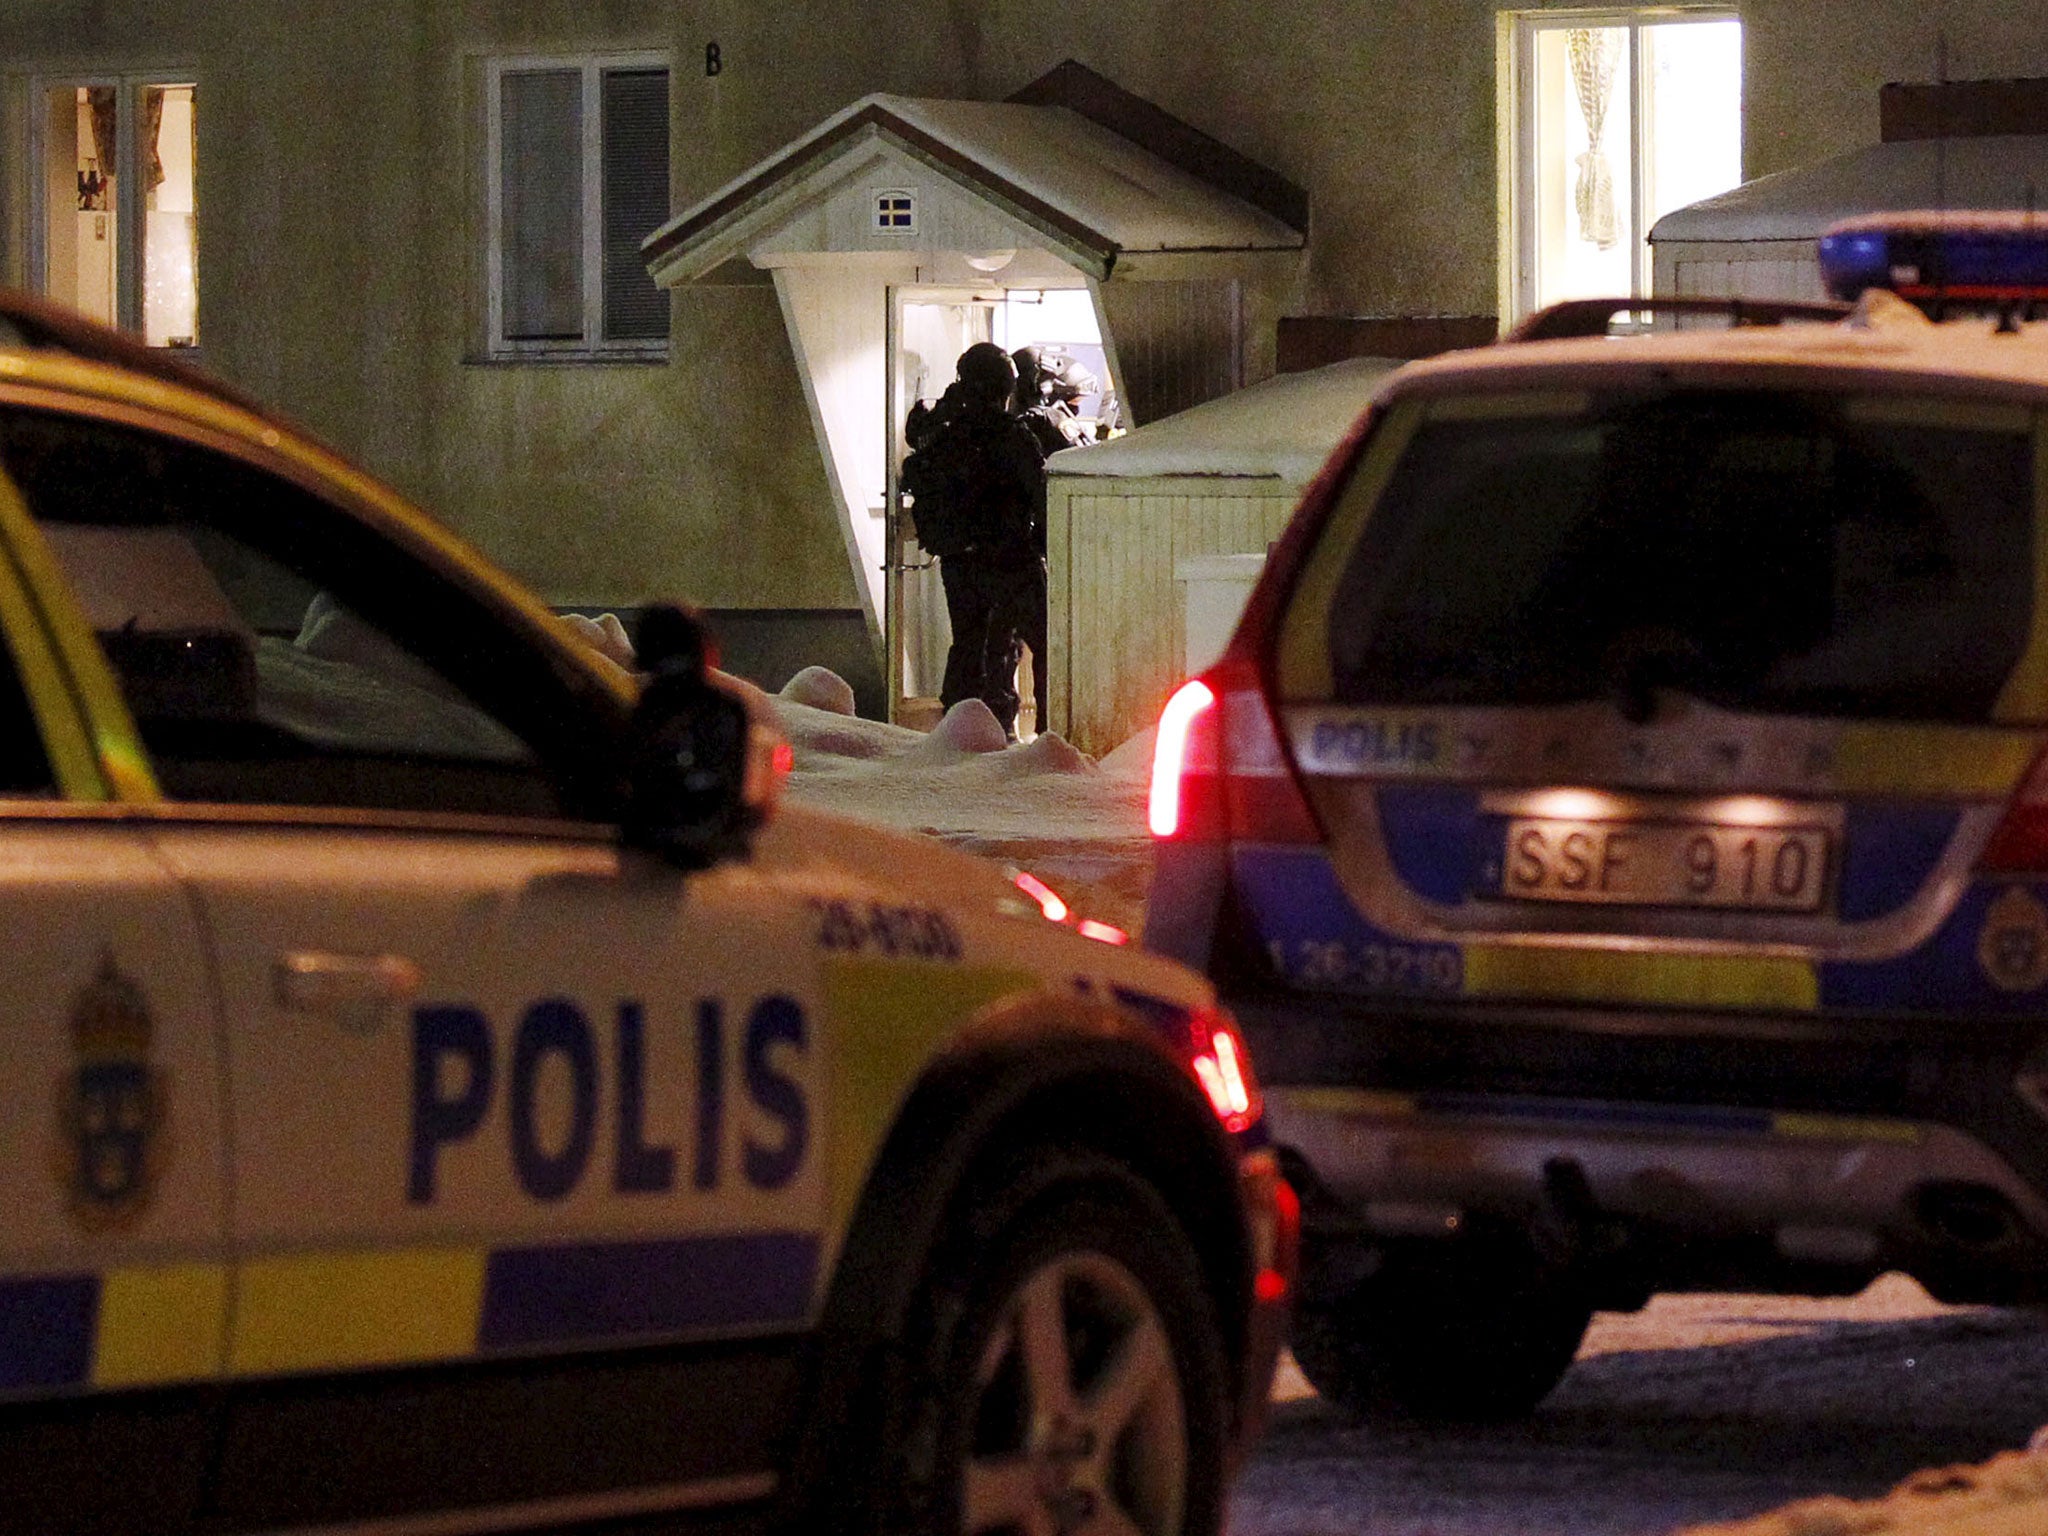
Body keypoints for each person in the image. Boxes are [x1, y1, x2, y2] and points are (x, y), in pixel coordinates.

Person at [900, 342, 1048, 739]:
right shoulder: (1012, 437)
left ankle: (962, 733)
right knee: (1041, 647)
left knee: (970, 646)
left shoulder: (944, 435)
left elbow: (917, 462)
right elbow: (1042, 497)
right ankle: (1035, 739)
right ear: (1004, 388)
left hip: (960, 562)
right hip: (1012, 560)